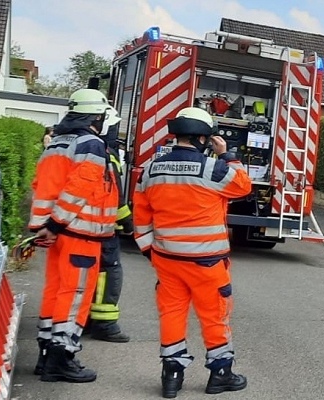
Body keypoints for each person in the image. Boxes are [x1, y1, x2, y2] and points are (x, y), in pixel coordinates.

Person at [132, 107, 252, 398]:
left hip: (167, 260)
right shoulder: (213, 168)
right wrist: (227, 155)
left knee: (172, 314)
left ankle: (171, 376)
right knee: (214, 316)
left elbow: (141, 216)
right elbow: (243, 187)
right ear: (203, 138)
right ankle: (220, 373)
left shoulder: (151, 168)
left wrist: (151, 251)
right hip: (207, 262)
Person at [29, 88, 119, 383]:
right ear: (96, 115)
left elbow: (39, 183)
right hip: (79, 232)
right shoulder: (91, 144)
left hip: (57, 232)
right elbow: (78, 190)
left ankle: (46, 355)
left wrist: (44, 227)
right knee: (75, 295)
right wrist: (56, 224)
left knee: (55, 291)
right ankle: (61, 359)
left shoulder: (56, 142)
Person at [85, 106, 133, 343]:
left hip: (79, 224)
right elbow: (115, 194)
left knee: (86, 273)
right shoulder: (106, 153)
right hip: (102, 225)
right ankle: (104, 324)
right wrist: (127, 221)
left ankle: (82, 319)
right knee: (109, 270)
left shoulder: (77, 145)